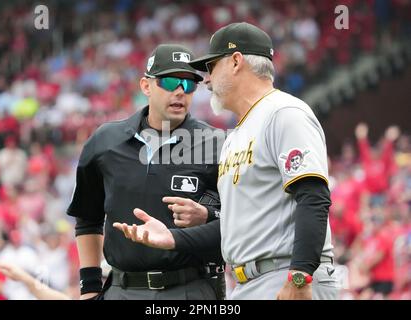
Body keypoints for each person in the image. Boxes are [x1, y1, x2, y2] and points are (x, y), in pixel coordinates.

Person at [118, 22, 339, 300]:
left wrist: (300, 276)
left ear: (236, 62)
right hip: (248, 283)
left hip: (285, 275)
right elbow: (237, 226)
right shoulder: (236, 135)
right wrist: (173, 237)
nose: (206, 80)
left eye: (211, 66)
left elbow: (313, 198)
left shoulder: (284, 113)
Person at [67, 44, 224, 300]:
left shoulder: (216, 144)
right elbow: (88, 218)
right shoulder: (105, 141)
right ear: (146, 86)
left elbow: (237, 219)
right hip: (121, 289)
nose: (180, 92)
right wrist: (89, 287)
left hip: (189, 288)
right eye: (171, 81)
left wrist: (208, 214)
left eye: (189, 85)